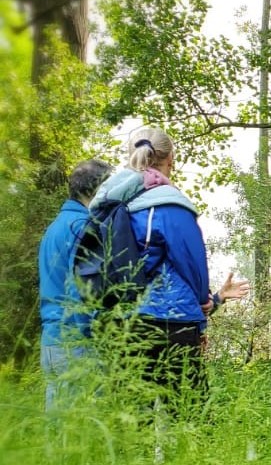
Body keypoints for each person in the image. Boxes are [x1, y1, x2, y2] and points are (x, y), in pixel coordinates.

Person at [90, 127, 248, 398]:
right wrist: (206, 300)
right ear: (170, 158)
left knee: (133, 416)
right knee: (188, 412)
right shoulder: (170, 204)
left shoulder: (109, 203)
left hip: (122, 323)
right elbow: (192, 263)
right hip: (172, 323)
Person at [38, 159, 114, 408]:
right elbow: (81, 288)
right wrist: (92, 336)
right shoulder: (82, 227)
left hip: (52, 341)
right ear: (97, 189)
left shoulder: (55, 227)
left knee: (58, 423)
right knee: (86, 423)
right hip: (76, 342)